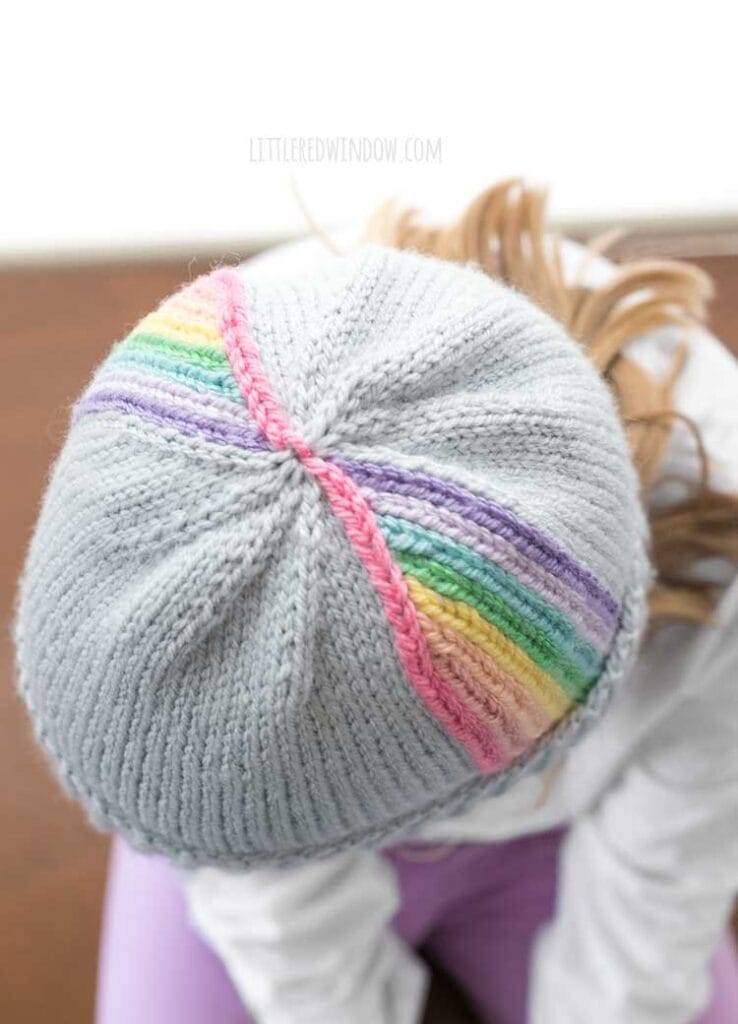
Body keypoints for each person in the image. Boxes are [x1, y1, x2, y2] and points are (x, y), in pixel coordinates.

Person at [16, 181, 738, 1023]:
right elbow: (257, 887)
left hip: (558, 830)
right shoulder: (239, 369)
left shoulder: (721, 536)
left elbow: (663, 867)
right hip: (248, 809)